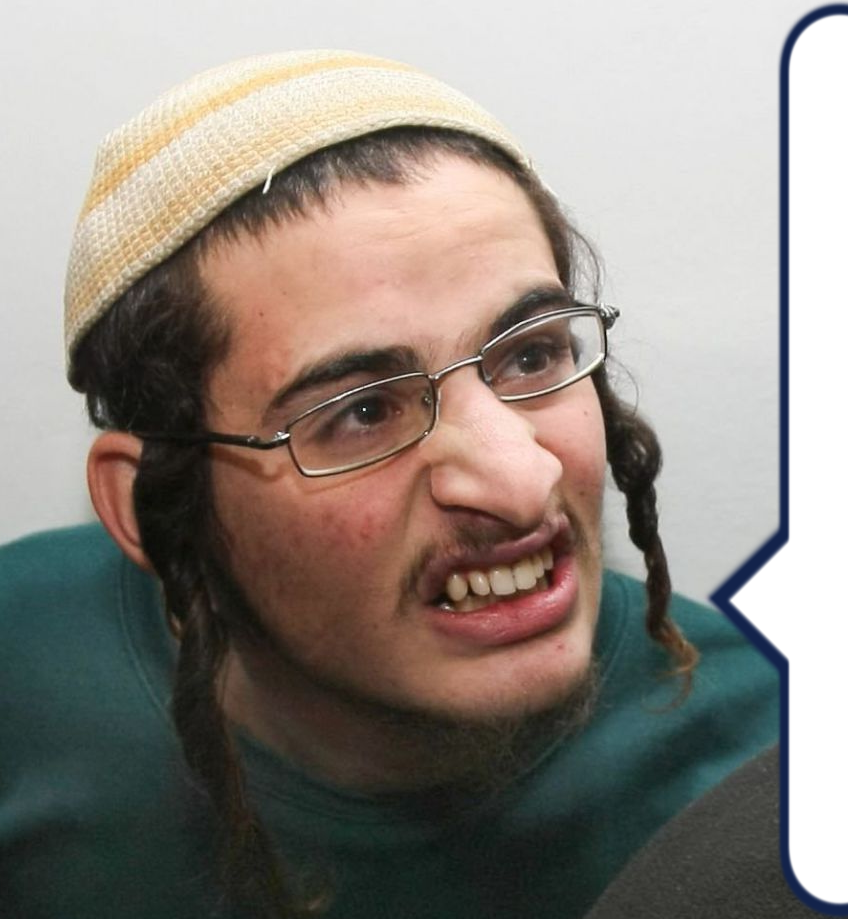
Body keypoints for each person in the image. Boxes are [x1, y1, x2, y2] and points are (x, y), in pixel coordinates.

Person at [0, 51, 778, 919]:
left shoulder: (771, 775)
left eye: (531, 355)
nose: (522, 479)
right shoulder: (20, 677)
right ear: (151, 508)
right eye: (363, 411)